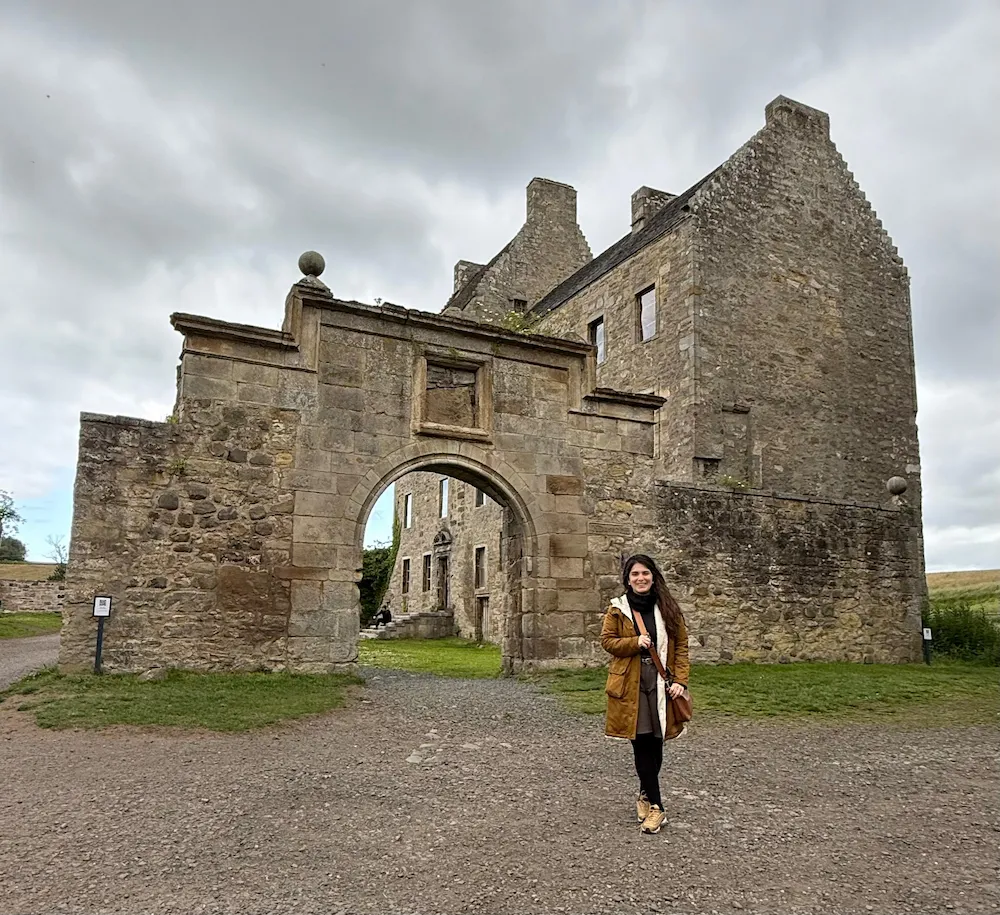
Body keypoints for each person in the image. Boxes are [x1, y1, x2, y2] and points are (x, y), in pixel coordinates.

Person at [600, 553, 690, 834]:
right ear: (628, 579)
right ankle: (658, 807)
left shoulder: (669, 608)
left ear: (653, 576)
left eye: (645, 573)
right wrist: (635, 641)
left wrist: (681, 681)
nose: (641, 578)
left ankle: (644, 793)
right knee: (640, 741)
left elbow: (682, 647)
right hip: (631, 684)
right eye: (635, 574)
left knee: (657, 739)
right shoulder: (618, 609)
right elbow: (607, 642)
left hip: (662, 682)